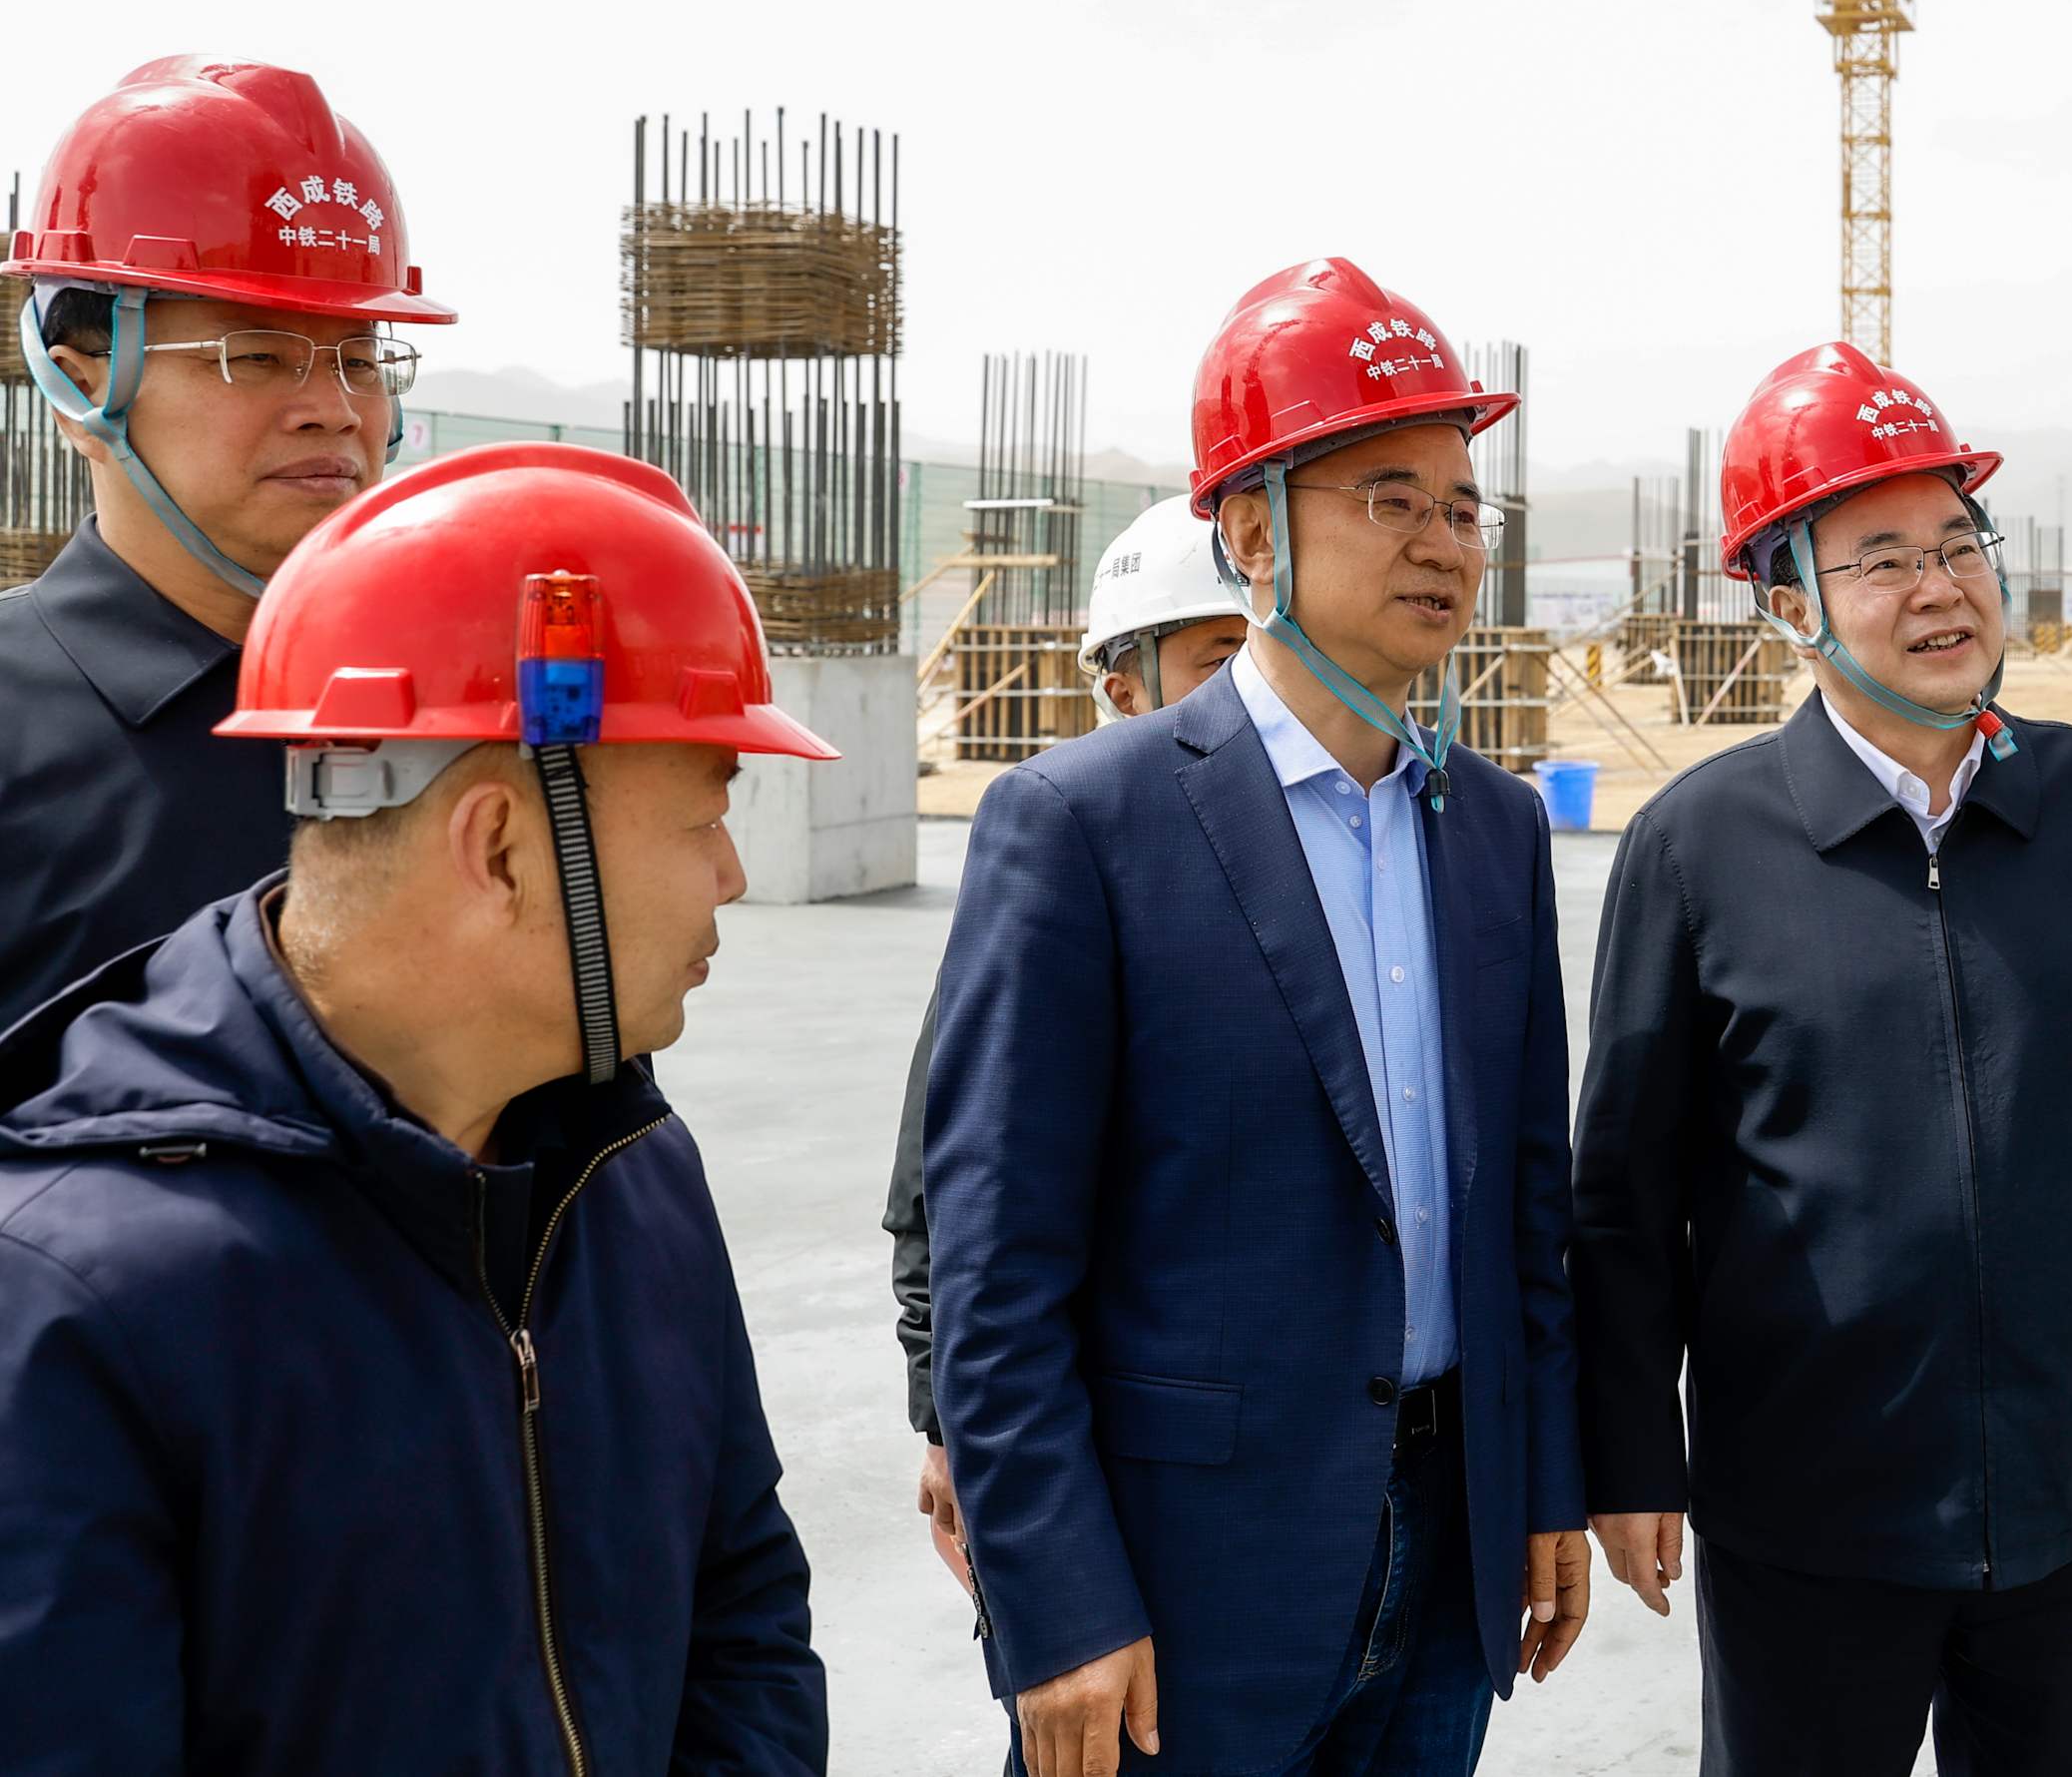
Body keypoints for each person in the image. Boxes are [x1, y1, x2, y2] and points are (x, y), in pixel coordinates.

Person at [0, 442, 833, 1774]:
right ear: (498, 846)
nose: (732, 875)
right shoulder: (80, 1293)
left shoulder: (632, 1172)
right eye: (704, 814)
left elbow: (741, 1612)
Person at [927, 259, 1587, 1777]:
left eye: (1463, 507)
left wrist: (1542, 1480)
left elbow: (1526, 1206)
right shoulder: (1084, 823)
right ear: (1248, 532)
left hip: (1448, 1557)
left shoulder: (1492, 830)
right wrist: (1055, 1601)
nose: (1441, 544)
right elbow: (998, 1267)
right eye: (1388, 499)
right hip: (1187, 1585)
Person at [1572, 340, 2072, 1777]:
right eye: (1880, 560)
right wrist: (1627, 1457)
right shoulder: (1699, 845)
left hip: (2054, 1487)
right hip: (1803, 1503)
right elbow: (1623, 1193)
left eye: (1957, 543)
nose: (1939, 588)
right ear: (1788, 604)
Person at [0, 56, 456, 1012]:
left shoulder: (458, 702)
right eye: (255, 355)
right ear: (79, 389)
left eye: (360, 359)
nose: (335, 408)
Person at [883, 505, 1250, 1597]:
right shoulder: (1063, 853)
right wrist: (947, 1419)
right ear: (1123, 688)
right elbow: (943, 1188)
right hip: (1093, 1442)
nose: (1251, 693)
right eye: (1216, 660)